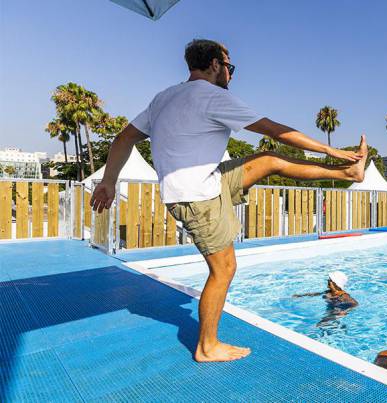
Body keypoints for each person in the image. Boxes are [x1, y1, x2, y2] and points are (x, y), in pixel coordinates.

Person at [91, 39, 367, 363]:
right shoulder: (212, 96)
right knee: (223, 270)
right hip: (198, 196)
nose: (231, 76)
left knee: (268, 160)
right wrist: (329, 148)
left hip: (208, 180)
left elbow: (124, 138)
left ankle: (349, 173)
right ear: (213, 65)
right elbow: (275, 129)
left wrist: (109, 181)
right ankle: (207, 346)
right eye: (229, 67)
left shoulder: (163, 98)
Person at [293, 271, 359, 310]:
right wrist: (300, 295)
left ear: (336, 284)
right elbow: (316, 294)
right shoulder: (329, 292)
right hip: (331, 312)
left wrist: (344, 311)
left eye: (330, 280)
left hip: (336, 313)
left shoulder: (343, 296)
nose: (328, 281)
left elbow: (355, 304)